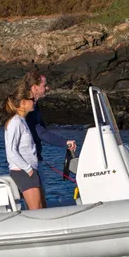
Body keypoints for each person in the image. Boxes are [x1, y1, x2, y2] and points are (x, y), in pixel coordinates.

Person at [21, 71, 77, 207]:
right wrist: (64, 142)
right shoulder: (26, 107)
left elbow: (42, 130)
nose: (47, 88)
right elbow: (40, 132)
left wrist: (64, 142)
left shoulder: (35, 106)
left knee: (42, 203)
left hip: (35, 160)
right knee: (37, 206)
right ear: (35, 88)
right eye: (44, 85)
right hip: (26, 164)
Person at [3, 84, 43, 210]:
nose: (34, 102)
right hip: (24, 172)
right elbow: (11, 151)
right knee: (36, 210)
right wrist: (29, 170)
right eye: (32, 99)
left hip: (30, 170)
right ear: (23, 103)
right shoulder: (15, 122)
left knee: (41, 208)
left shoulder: (22, 121)